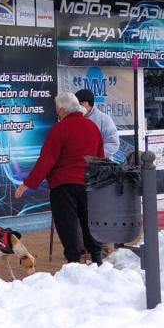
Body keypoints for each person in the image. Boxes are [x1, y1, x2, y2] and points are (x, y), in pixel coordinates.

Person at [15, 92, 105, 265]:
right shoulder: (92, 127)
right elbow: (100, 157)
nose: (56, 112)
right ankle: (96, 257)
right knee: (90, 221)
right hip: (88, 184)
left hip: (64, 186)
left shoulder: (59, 129)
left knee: (67, 223)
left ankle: (73, 260)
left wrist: (28, 183)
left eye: (57, 109)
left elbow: (47, 159)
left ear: (63, 110)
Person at [75, 88, 119, 160]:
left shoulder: (104, 119)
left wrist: (96, 155)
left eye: (80, 104)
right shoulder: (73, 120)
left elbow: (113, 143)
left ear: (89, 103)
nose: (78, 107)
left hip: (100, 165)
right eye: (76, 104)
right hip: (79, 164)